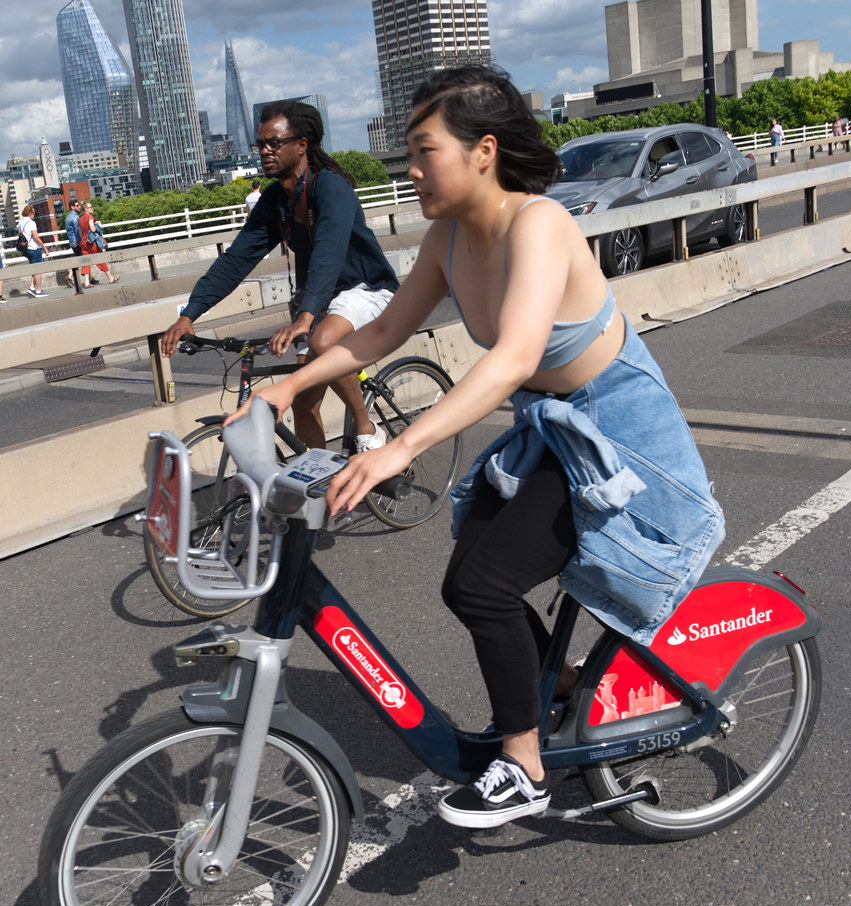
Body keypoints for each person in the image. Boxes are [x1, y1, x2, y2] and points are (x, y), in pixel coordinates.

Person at [224, 65, 726, 828]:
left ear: (483, 150)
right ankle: (559, 689)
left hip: (616, 432)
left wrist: (397, 449)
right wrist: (288, 387)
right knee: (467, 582)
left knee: (489, 583)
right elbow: (383, 332)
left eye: (424, 151)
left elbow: (514, 357)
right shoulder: (448, 236)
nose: (411, 169)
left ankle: (523, 765)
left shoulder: (538, 225)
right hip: (551, 426)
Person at [162, 100, 399, 450]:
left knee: (323, 340)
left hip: (365, 289)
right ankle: (320, 480)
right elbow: (236, 261)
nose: (264, 151)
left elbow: (328, 254)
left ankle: (368, 432)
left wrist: (306, 316)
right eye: (260, 144)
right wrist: (189, 314)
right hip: (319, 301)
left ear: (301, 144)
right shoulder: (275, 201)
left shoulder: (332, 188)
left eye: (274, 143)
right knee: (303, 403)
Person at [79, 202, 119, 287]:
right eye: (91, 207)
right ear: (86, 209)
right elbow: (92, 229)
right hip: (91, 243)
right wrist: (96, 224)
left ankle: (86, 282)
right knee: (100, 259)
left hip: (83, 243)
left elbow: (80, 233)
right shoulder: (90, 217)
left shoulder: (80, 219)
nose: (92, 208)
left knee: (86, 262)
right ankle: (110, 278)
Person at [18, 205, 50, 297]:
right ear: (30, 213)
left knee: (33, 268)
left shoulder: (20, 223)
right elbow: (35, 237)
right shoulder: (31, 223)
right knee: (38, 270)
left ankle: (32, 287)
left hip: (26, 249)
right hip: (34, 248)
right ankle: (38, 291)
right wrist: (44, 247)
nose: (34, 215)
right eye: (33, 213)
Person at [64, 198, 82, 287]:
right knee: (83, 259)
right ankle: (70, 276)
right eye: (77, 205)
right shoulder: (75, 217)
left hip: (72, 241)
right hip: (77, 241)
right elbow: (77, 230)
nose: (79, 207)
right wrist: (81, 241)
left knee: (77, 258)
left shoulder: (67, 217)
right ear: (72, 207)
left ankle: (70, 276)